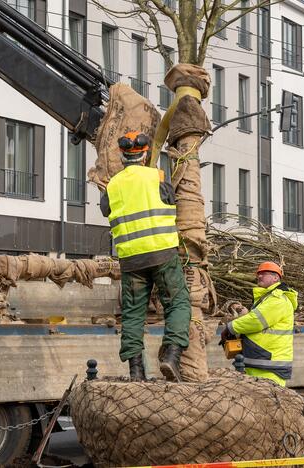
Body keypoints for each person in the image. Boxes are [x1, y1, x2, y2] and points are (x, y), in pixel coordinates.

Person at [100, 131, 191, 382]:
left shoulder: (112, 185)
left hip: (131, 260)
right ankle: (171, 356)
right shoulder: (158, 176)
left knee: (132, 314)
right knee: (178, 303)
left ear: (122, 155)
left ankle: (136, 372)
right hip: (162, 254)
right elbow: (173, 199)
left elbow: (105, 208)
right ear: (145, 154)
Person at [221, 261, 297, 386]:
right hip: (262, 363)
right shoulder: (267, 298)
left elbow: (255, 321)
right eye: (259, 274)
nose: (260, 276)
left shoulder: (277, 299)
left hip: (269, 367)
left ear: (275, 278)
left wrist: (230, 327)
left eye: (264, 273)